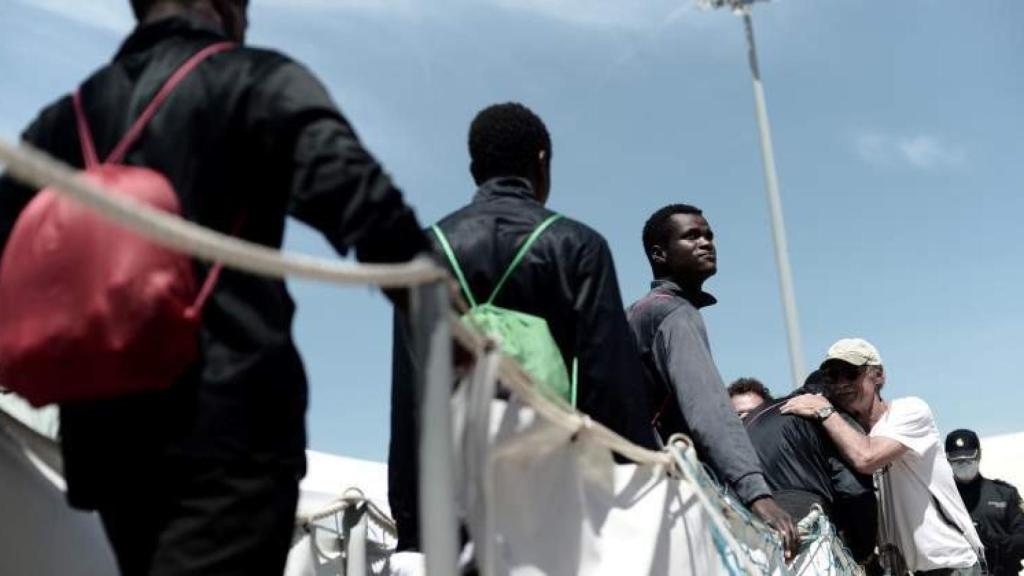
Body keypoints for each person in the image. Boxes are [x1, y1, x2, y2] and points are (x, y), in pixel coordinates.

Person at [0, 1, 432, 574]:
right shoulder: (254, 78)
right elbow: (362, 199)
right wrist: (440, 314)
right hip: (229, 426)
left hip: (105, 442)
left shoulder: (63, 121)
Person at [388, 102, 659, 553]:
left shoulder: (427, 253)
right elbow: (610, 384)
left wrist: (411, 527)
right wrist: (629, 489)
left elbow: (410, 394)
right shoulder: (579, 246)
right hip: (556, 490)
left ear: (475, 169)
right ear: (541, 161)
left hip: (458, 491)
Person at [626, 203, 798, 554]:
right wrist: (757, 494)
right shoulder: (673, 313)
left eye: (708, 235)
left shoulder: (637, 312)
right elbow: (709, 410)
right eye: (692, 236)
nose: (707, 242)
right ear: (660, 254)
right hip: (670, 497)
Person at [783, 338, 984, 575]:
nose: (841, 384)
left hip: (950, 565)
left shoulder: (910, 411)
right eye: (832, 376)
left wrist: (823, 410)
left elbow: (867, 457)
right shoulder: (847, 435)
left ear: (878, 375)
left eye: (850, 373)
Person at [744, 370, 877, 562]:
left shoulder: (758, 415)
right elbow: (854, 490)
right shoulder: (830, 418)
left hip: (746, 528)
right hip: (801, 531)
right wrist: (863, 551)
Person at [946, 428, 1024, 576]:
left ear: (979, 455)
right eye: (957, 459)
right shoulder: (940, 500)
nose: (963, 463)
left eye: (969, 457)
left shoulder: (1004, 494)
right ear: (947, 460)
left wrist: (990, 540)